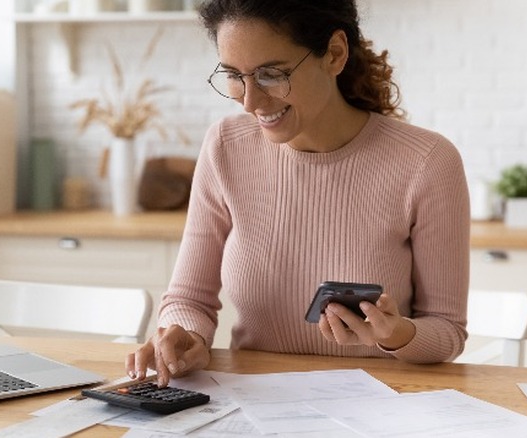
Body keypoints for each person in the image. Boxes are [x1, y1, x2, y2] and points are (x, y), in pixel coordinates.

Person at [127, 0, 471, 387]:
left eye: (271, 74)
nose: (250, 101)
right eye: (234, 75)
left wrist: (394, 334)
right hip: (255, 401)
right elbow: (189, 300)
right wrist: (184, 336)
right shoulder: (225, 147)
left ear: (335, 54)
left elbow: (447, 332)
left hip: (379, 404)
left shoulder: (427, 161)